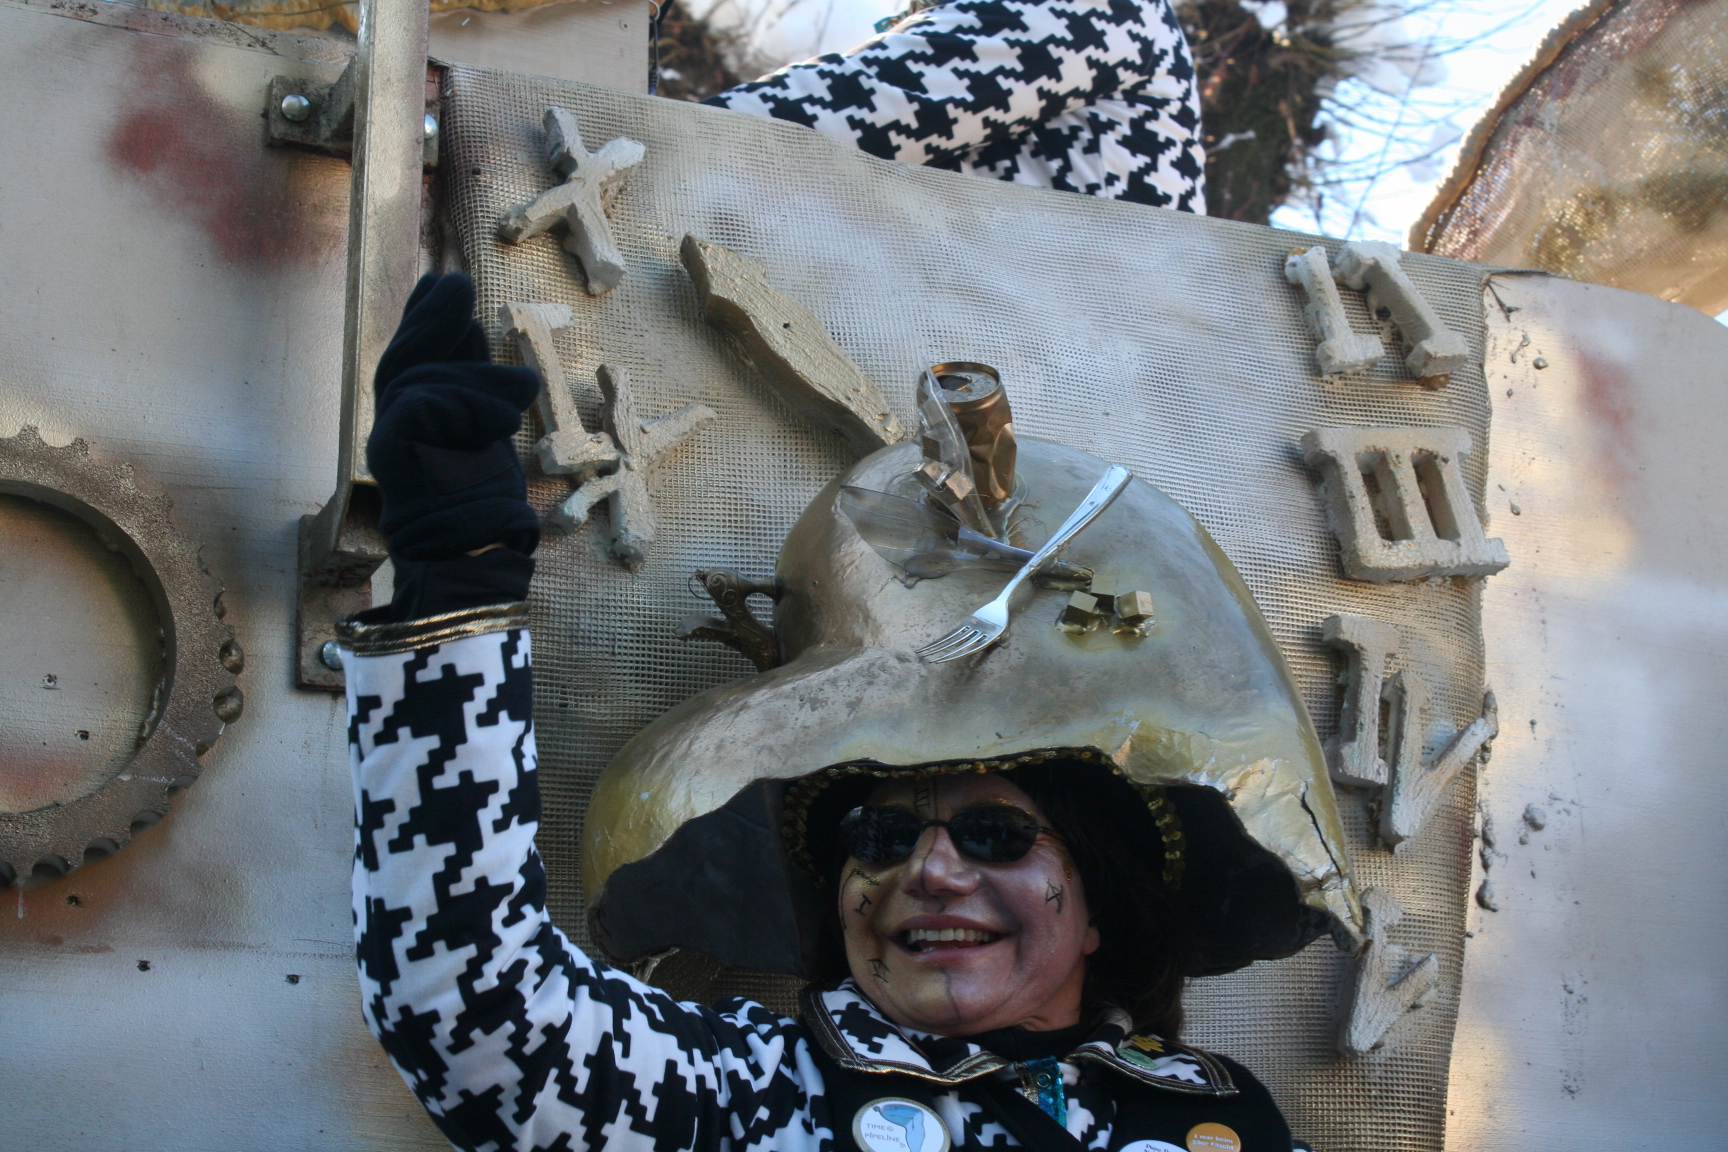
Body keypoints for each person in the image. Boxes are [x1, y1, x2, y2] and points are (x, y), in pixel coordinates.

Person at [341, 274, 1324, 1152]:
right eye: (880, 836)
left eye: (994, 834)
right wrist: (456, 581)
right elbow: (478, 1011)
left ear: (1099, 902)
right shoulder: (749, 1097)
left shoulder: (1227, 1128)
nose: (928, 872)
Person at [703, 0, 1207, 213]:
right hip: (1026, 346)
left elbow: (862, 108)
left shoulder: (1094, 8)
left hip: (1086, 360)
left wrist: (665, 129)